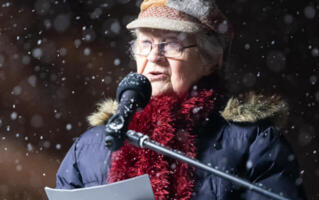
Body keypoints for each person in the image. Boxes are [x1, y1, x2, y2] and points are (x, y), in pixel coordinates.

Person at [56, 0, 305, 199]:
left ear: (210, 59)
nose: (154, 56)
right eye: (145, 43)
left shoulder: (253, 144)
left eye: (172, 44)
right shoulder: (89, 148)